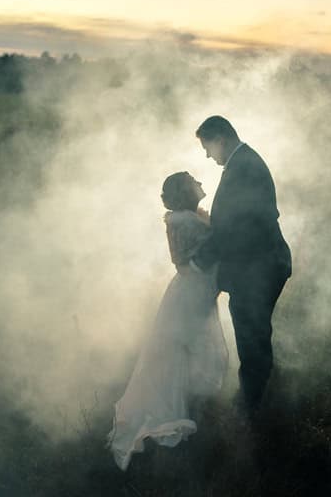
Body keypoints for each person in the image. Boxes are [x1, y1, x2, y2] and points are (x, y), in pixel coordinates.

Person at [108, 172, 228, 471]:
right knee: (178, 350)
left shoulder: (191, 216)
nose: (199, 182)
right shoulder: (180, 221)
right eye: (192, 180)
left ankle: (198, 403)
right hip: (190, 291)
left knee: (190, 348)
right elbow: (180, 260)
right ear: (185, 190)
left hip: (198, 291)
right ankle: (179, 409)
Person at [191, 116, 291, 419]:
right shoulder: (243, 163)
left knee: (252, 335)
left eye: (207, 147)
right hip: (259, 266)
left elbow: (233, 227)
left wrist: (197, 261)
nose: (208, 155)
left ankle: (251, 409)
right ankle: (256, 398)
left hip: (259, 268)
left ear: (220, 138)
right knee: (254, 332)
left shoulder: (243, 167)